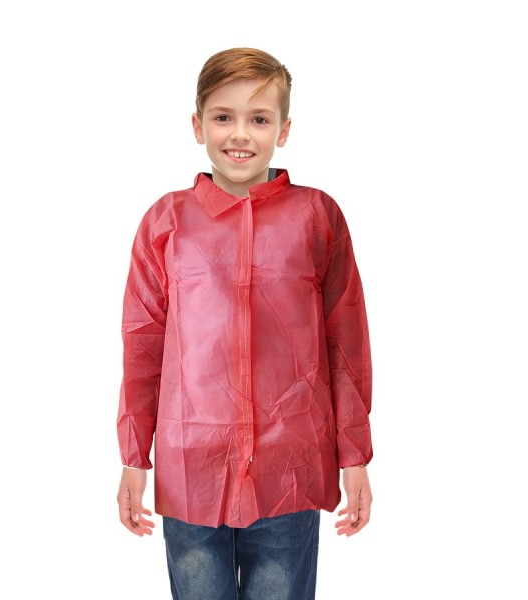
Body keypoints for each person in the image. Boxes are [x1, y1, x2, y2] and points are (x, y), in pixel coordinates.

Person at [116, 47, 374, 600]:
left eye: (259, 119)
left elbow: (345, 341)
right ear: (197, 125)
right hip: (192, 465)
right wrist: (134, 458)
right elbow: (143, 345)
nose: (240, 134)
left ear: (284, 129)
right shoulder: (167, 221)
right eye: (222, 116)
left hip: (290, 464)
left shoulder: (316, 217)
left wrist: (354, 455)